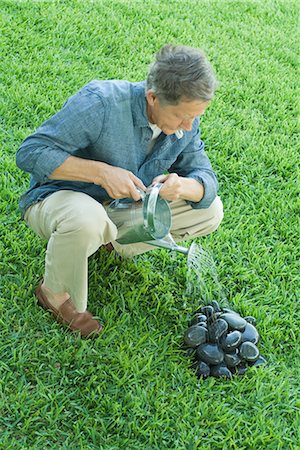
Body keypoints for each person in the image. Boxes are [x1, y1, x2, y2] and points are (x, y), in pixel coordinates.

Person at [16, 44, 223, 337]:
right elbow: (30, 153)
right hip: (59, 200)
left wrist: (183, 186)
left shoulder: (185, 121)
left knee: (210, 210)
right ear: (153, 97)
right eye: (182, 117)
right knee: (86, 219)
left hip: (119, 209)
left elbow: (205, 178)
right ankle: (54, 294)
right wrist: (101, 173)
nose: (189, 126)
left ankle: (110, 241)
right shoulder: (101, 103)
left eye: (195, 117)